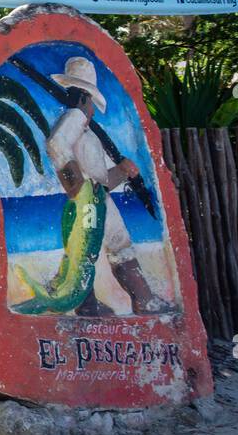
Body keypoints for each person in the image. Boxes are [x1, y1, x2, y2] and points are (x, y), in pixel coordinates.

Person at [36, 56, 172, 316]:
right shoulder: (75, 117)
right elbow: (56, 144)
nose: (92, 111)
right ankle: (136, 301)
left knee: (96, 247)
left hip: (96, 196)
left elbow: (99, 177)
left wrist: (121, 172)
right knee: (103, 247)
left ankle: (97, 305)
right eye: (91, 104)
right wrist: (75, 180)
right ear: (86, 99)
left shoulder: (82, 128)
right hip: (91, 199)